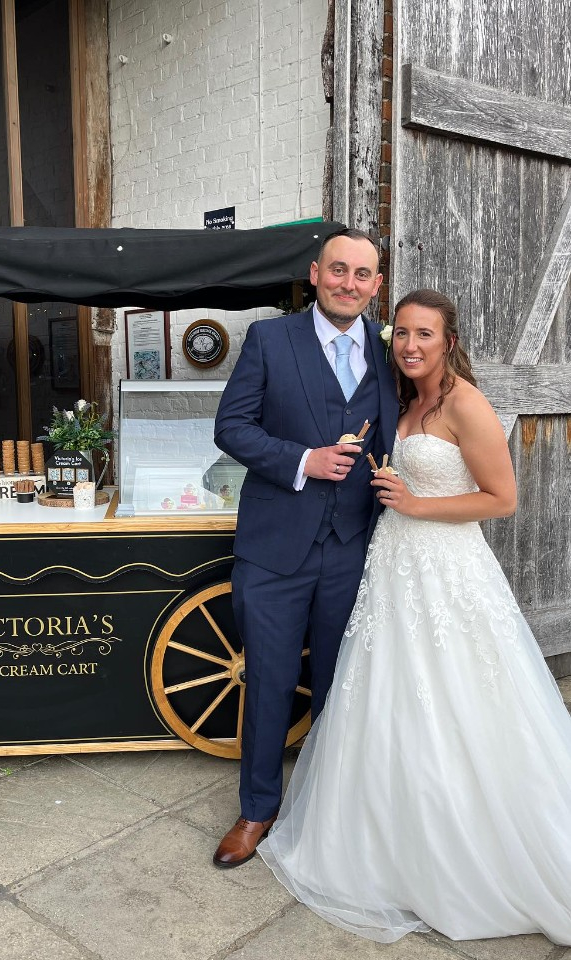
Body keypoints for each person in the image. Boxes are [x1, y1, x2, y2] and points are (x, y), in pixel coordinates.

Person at [258, 289, 571, 944]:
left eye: (424, 334)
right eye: (401, 333)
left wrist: (415, 504)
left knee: (459, 699)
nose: (410, 345)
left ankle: (465, 847)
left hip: (448, 570)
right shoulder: (401, 401)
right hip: (392, 568)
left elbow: (502, 499)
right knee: (386, 696)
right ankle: (385, 834)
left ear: (448, 341)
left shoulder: (464, 403)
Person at [212, 228, 399, 868]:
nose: (349, 283)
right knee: (268, 680)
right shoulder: (270, 339)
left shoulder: (389, 352)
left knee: (340, 683)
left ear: (376, 286)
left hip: (354, 546)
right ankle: (257, 809)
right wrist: (302, 461)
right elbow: (231, 426)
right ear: (315, 274)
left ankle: (330, 808)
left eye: (362, 274)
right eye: (338, 269)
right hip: (274, 549)